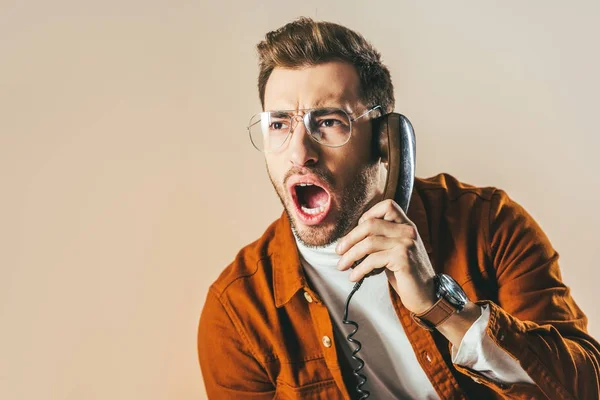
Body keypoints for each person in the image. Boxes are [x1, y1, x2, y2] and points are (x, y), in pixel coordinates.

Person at [197, 17, 600, 399]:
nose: (300, 153)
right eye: (279, 124)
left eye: (329, 122)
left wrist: (441, 307)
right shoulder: (239, 311)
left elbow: (585, 388)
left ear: (385, 140)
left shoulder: (489, 224)